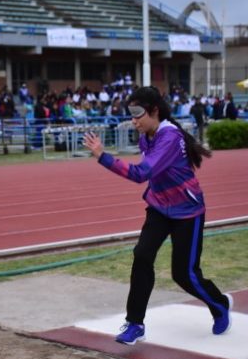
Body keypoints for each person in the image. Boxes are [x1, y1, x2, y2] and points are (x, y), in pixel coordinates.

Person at [82, 86, 233, 345]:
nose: (134, 120)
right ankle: (135, 323)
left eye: (138, 114)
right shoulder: (146, 137)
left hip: (188, 211)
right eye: (131, 114)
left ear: (154, 111)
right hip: (159, 207)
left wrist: (102, 157)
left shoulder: (170, 138)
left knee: (184, 274)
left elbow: (141, 174)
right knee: (142, 255)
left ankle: (219, 304)